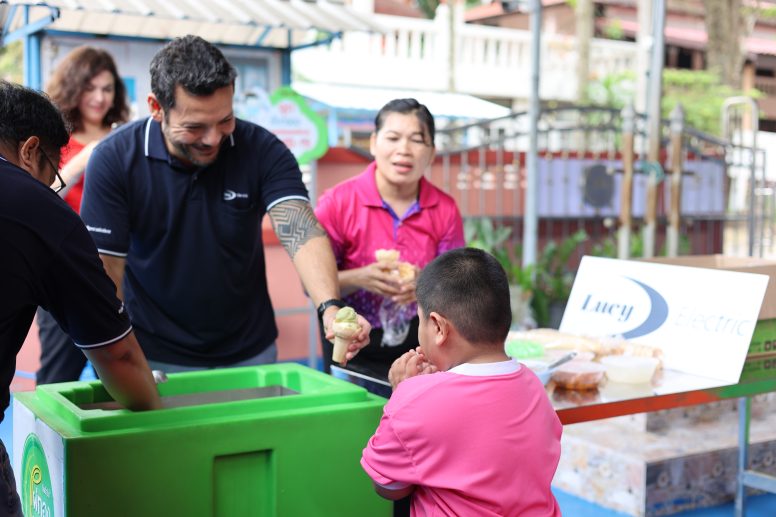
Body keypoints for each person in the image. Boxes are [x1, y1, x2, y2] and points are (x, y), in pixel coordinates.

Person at [80, 35, 370, 373]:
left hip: (249, 351)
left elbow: (300, 229)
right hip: (153, 353)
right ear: (157, 108)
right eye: (195, 126)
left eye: (225, 120)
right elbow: (105, 271)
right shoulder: (115, 158)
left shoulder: (262, 149)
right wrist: (117, 357)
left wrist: (330, 308)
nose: (213, 138)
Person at [0, 80, 161, 515]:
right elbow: (119, 357)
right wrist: (153, 405)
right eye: (53, 173)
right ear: (31, 151)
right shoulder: (35, 206)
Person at [361, 248, 562, 517]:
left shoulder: (414, 401)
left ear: (438, 327)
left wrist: (402, 394)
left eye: (420, 320)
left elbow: (389, 486)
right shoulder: (533, 385)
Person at [315, 98, 464, 375]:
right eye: (393, 137)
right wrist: (359, 277)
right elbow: (311, 283)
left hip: (421, 348)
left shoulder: (445, 208)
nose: (404, 150)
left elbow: (455, 287)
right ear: (373, 143)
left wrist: (425, 283)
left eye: (417, 140)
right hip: (351, 341)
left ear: (431, 152)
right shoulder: (337, 203)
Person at [36, 46, 131, 384]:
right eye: (90, 88)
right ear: (73, 88)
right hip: (65, 267)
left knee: (124, 369)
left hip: (120, 270)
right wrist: (91, 154)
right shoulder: (52, 139)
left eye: (107, 89)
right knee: (58, 372)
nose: (99, 97)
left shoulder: (125, 136)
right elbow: (38, 196)